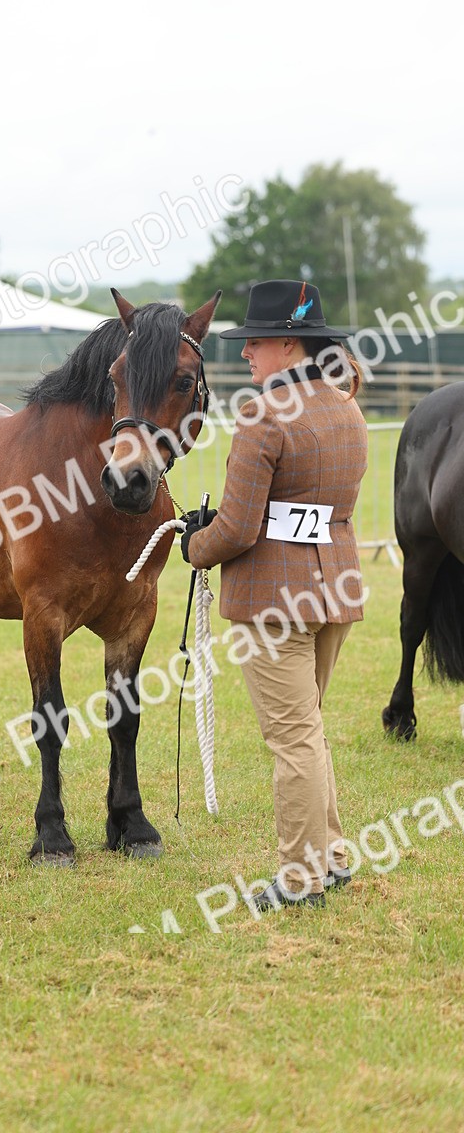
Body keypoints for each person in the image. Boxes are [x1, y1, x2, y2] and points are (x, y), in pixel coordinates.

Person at [181, 279, 368, 911]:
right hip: (334, 590)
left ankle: (299, 878)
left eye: (254, 342)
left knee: (292, 741)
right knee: (308, 731)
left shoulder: (262, 414)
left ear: (288, 344)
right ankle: (333, 855)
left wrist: (194, 547)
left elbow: (236, 527)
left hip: (274, 600)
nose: (245, 355)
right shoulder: (347, 407)